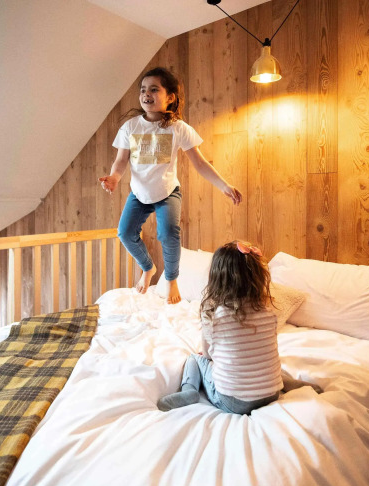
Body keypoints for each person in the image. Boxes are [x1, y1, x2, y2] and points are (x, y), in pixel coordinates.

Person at [98, 67, 242, 304]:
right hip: (139, 193)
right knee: (125, 233)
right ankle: (148, 268)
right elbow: (121, 161)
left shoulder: (178, 128)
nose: (147, 94)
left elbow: (200, 163)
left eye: (154, 89)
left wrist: (224, 185)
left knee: (168, 233)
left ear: (170, 97)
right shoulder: (130, 127)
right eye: (143, 90)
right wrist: (114, 178)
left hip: (167, 193)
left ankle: (171, 279)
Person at [157, 240, 322, 414]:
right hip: (271, 393)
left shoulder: (213, 315)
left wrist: (208, 356)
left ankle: (189, 390)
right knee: (259, 362)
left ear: (217, 278)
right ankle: (287, 383)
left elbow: (207, 354)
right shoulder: (269, 311)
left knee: (195, 359)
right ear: (257, 276)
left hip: (233, 402)